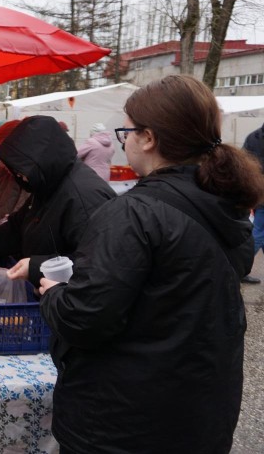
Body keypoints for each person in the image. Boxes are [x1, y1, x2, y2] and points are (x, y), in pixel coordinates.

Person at [34, 75, 264, 453]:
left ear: (149, 137)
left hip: (125, 425)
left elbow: (84, 317)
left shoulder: (134, 213)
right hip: (201, 413)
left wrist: (56, 293)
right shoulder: (225, 203)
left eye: (128, 131)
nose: (124, 141)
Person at [0, 115, 115, 283]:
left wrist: (35, 267)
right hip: (46, 294)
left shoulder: (83, 197)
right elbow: (16, 226)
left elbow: (98, 266)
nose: (18, 176)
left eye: (20, 169)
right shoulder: (48, 184)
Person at [243, 121, 264, 284]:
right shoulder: (256, 137)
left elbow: (244, 164)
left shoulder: (253, 136)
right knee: (258, 232)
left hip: (257, 188)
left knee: (260, 230)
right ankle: (243, 268)